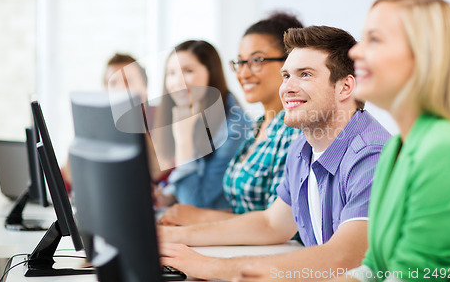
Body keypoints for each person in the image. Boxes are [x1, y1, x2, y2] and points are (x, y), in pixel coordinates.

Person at [158, 25, 391, 281]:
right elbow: (272, 224)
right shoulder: (303, 148)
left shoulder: (372, 156)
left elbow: (345, 257)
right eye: (286, 76)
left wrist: (211, 267)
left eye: (305, 74)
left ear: (345, 87)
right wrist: (172, 237)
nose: (288, 88)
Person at [322, 0, 450, 282]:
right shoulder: (397, 146)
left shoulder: (446, 150)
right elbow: (375, 267)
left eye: (375, 39)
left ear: (425, 55)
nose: (355, 53)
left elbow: (413, 275)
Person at [158, 13, 303, 225]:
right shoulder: (258, 127)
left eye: (256, 61)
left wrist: (183, 141)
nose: (243, 73)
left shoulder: (287, 130)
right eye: (240, 62)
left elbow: (275, 224)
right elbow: (241, 210)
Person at [152, 40, 250, 209]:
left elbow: (195, 204)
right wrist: (167, 196)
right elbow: (191, 184)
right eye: (171, 73)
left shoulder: (235, 128)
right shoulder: (194, 111)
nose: (177, 82)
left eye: (188, 71)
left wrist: (184, 140)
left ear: (210, 73)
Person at [61, 52, 155, 190]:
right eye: (113, 83)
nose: (120, 89)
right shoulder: (103, 123)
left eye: (128, 81)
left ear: (145, 88)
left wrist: (133, 117)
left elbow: (157, 174)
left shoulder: (161, 116)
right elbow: (68, 180)